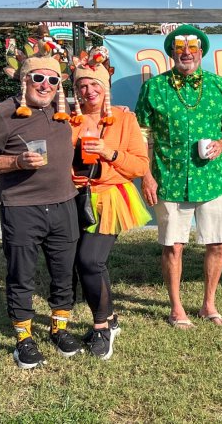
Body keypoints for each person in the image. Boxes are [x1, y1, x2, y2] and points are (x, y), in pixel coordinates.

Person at [0, 55, 83, 369]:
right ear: (24, 79)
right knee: (21, 275)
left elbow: (97, 109)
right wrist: (16, 162)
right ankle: (24, 339)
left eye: (53, 80)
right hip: (21, 207)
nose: (45, 85)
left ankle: (59, 329)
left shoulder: (63, 111)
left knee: (64, 273)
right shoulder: (3, 114)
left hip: (64, 202)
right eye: (38, 78)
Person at [135, 24, 222, 329]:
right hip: (168, 178)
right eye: (180, 49)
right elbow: (140, 135)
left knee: (218, 243)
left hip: (212, 179)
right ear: (171, 53)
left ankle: (209, 304)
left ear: (201, 53)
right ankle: (176, 308)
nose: (186, 54)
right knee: (173, 246)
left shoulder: (218, 85)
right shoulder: (154, 88)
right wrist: (147, 175)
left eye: (192, 49)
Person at [70, 56, 151, 359]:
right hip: (73, 198)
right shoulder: (67, 121)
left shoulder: (124, 118)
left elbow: (140, 166)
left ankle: (102, 327)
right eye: (82, 86)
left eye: (95, 84)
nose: (89, 91)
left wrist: (109, 151)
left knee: (90, 260)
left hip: (111, 199)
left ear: (105, 87)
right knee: (82, 263)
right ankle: (110, 318)